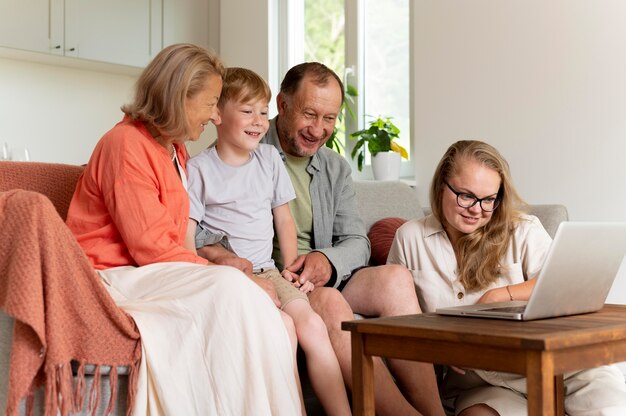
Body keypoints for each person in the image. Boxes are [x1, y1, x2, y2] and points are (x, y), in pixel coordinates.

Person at [195, 62, 445, 415]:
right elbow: (197, 226)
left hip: (327, 278)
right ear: (282, 105)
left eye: (329, 118)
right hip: (277, 279)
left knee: (396, 278)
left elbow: (357, 241)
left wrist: (327, 261)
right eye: (309, 114)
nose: (319, 129)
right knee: (328, 302)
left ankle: (434, 411)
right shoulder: (244, 148)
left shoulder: (334, 167)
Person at [65, 44, 302, 415]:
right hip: (114, 277)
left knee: (275, 319)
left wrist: (222, 264)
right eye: (210, 104)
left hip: (155, 272)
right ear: (178, 98)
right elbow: (152, 247)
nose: (214, 116)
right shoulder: (125, 144)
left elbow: (178, 240)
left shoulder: (174, 149)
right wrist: (233, 276)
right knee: (231, 287)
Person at [387, 139, 626, 416]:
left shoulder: (523, 229)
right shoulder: (410, 238)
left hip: (561, 366)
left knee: (611, 406)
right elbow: (401, 317)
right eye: (466, 195)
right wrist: (441, 345)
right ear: (442, 185)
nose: (477, 209)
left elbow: (563, 284)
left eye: (489, 199)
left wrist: (500, 296)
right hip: (479, 382)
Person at [186, 67, 351, 415]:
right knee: (285, 332)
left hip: (272, 271)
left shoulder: (269, 160)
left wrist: (290, 269)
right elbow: (189, 237)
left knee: (313, 327)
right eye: (247, 111)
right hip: (237, 279)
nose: (259, 121)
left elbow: (284, 219)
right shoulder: (199, 169)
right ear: (217, 114)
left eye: (263, 112)